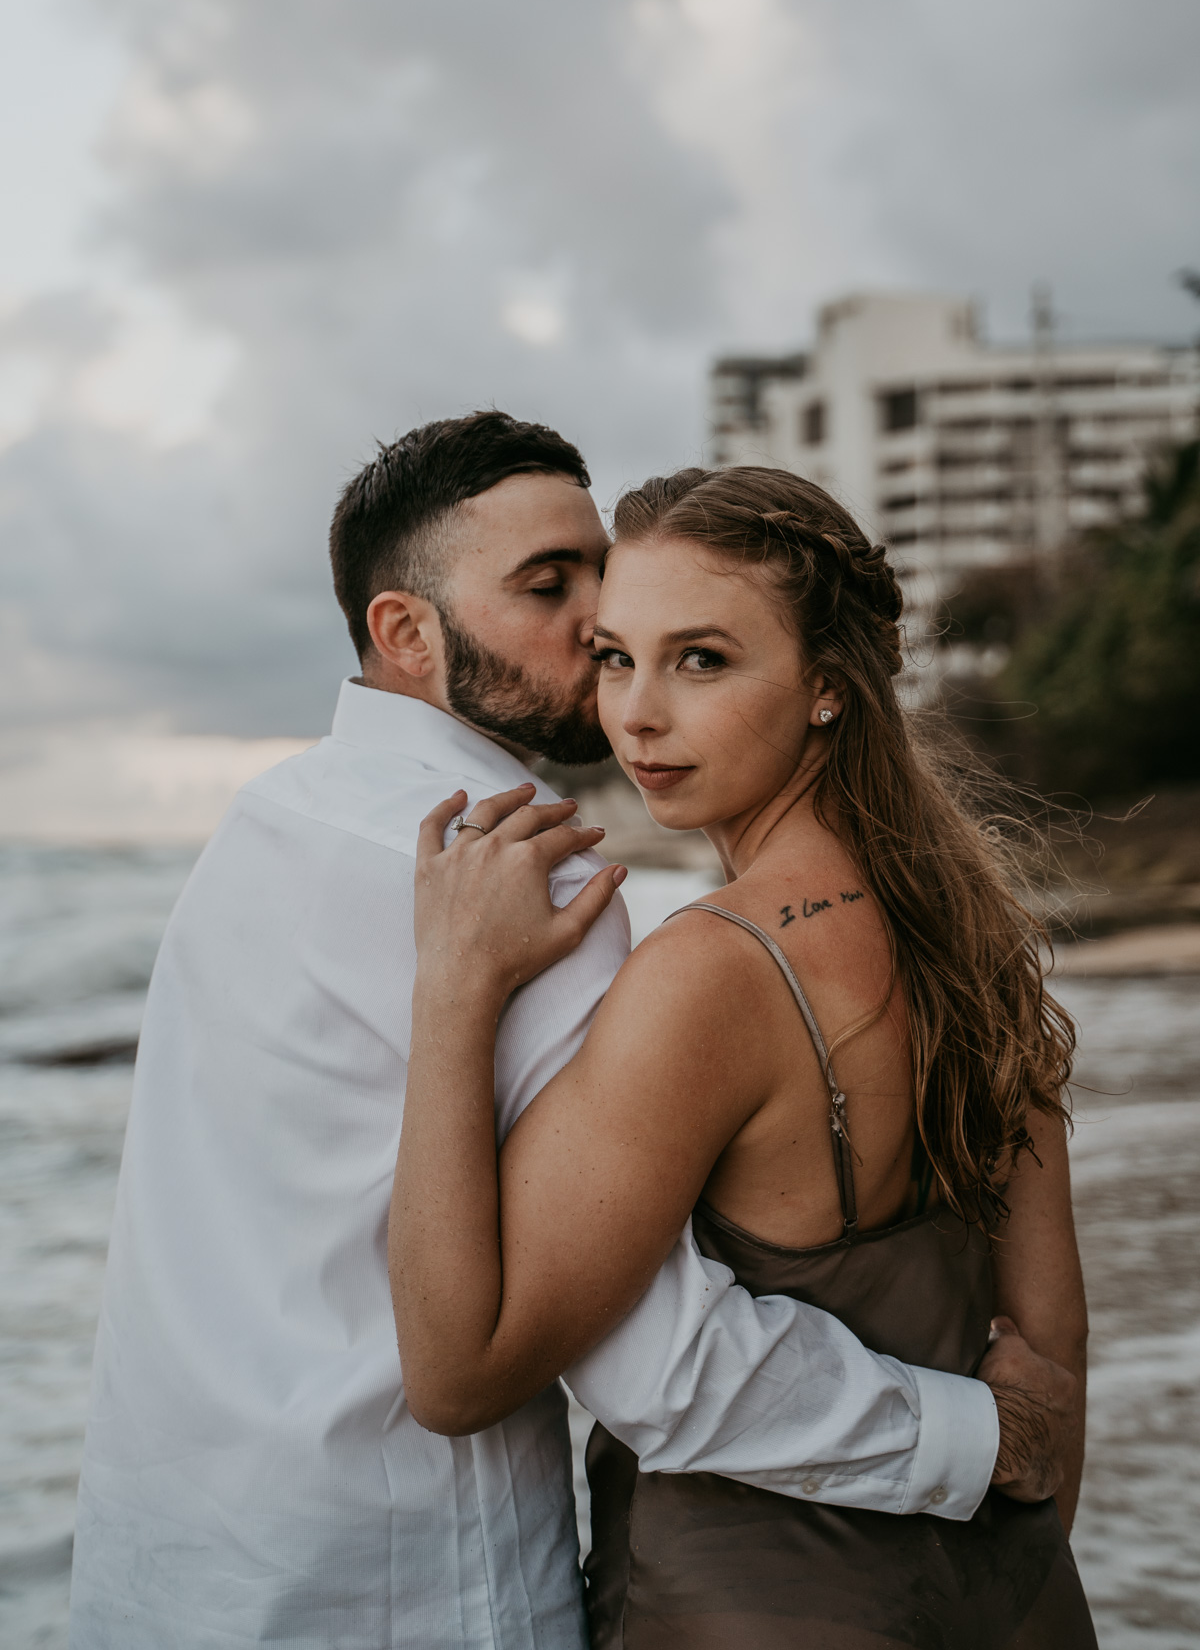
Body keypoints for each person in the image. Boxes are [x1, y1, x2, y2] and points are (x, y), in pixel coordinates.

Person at [69, 416, 1075, 1650]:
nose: (615, 668)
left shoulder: (266, 827)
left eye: (689, 651)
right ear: (406, 633)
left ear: (824, 683)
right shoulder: (533, 874)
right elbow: (666, 1360)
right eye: (566, 602)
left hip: (187, 1570)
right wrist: (993, 1442)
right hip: (412, 1585)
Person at [392, 462, 1096, 1647]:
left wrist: (454, 995)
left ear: (827, 689)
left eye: (702, 660)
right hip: (1007, 1604)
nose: (638, 714)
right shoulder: (971, 937)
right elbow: (1051, 1347)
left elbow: (458, 1371)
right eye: (616, 656)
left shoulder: (710, 973)